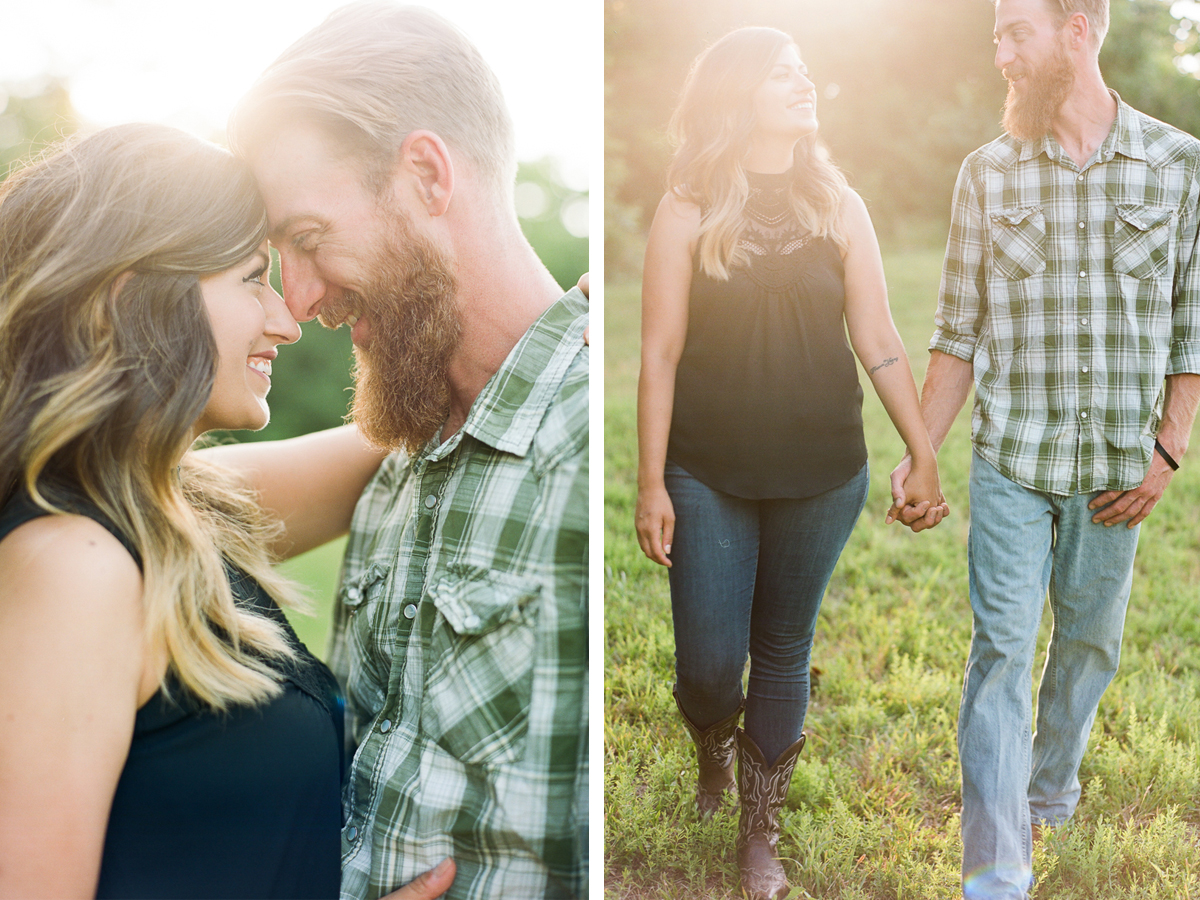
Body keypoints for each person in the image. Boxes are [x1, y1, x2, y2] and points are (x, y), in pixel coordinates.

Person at [227, 4, 589, 899]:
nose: (299, 300)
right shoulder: (396, 460)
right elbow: (116, 501)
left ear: (428, 173)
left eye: (306, 241)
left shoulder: (588, 443)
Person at [0, 123, 400, 898]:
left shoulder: (172, 504)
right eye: (254, 277)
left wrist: (548, 342)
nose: (285, 320)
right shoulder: (71, 568)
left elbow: (389, 443)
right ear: (132, 297)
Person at [886, 1, 1200, 897]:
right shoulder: (986, 174)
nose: (1001, 55)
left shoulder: (1179, 165)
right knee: (1001, 652)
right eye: (994, 37)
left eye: (1014, 33)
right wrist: (923, 450)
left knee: (1090, 647)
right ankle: (995, 873)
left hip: (1116, 471)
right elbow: (956, 332)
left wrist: (1168, 448)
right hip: (1012, 460)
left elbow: (1194, 324)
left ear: (1079, 30)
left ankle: (1047, 787)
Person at [633, 26, 946, 900]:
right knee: (705, 665)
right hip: (706, 469)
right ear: (740, 92)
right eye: (782, 75)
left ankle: (759, 834)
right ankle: (711, 749)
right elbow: (657, 354)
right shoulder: (688, 204)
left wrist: (921, 451)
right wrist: (651, 480)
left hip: (824, 471)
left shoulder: (839, 203)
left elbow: (878, 339)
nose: (803, 86)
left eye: (806, 73)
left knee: (781, 647)